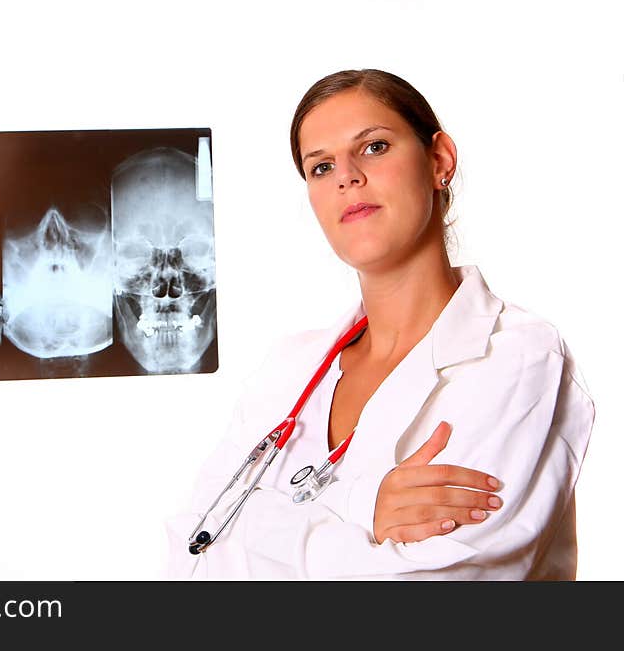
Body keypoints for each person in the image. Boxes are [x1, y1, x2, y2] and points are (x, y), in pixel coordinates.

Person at [164, 69, 595, 580]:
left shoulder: (515, 355)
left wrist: (256, 528)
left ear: (440, 161)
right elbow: (189, 554)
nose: (347, 176)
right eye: (321, 167)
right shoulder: (288, 368)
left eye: (374, 148)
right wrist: (364, 504)